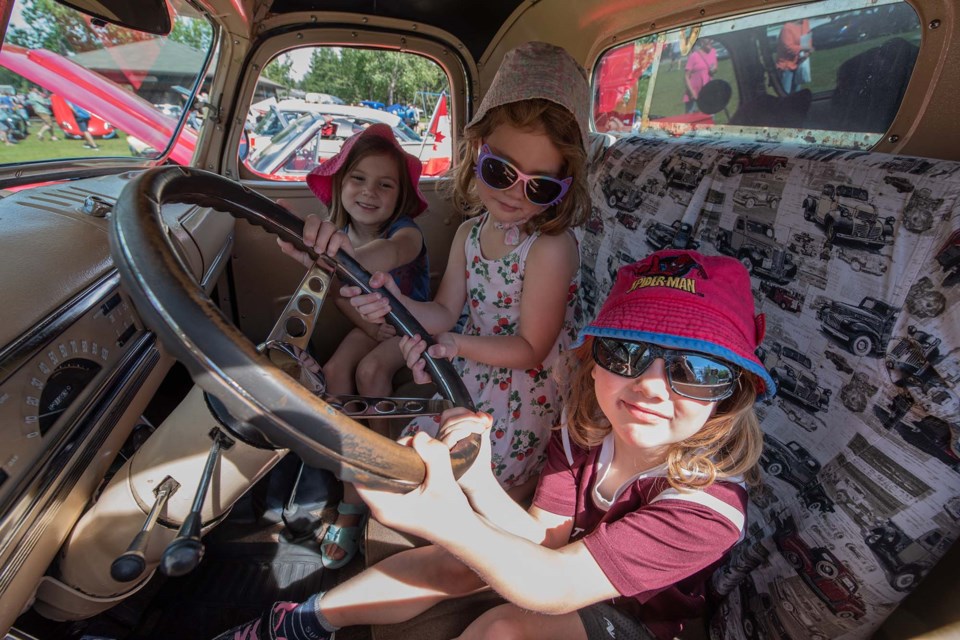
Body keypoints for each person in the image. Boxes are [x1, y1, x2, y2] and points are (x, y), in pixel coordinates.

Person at [210, 249, 774, 640]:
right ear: (593, 362)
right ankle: (303, 621)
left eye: (696, 370)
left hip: (635, 623)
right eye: (624, 354)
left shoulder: (708, 511)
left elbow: (554, 585)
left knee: (505, 628)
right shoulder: (585, 433)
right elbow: (544, 536)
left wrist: (448, 516)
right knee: (455, 561)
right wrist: (476, 477)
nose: (650, 385)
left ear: (730, 395)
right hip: (565, 569)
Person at [280, 40, 591, 569]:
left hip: (523, 386)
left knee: (480, 475)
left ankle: (491, 544)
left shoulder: (550, 246)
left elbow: (530, 348)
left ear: (562, 187)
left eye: (539, 186)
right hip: (469, 366)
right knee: (432, 452)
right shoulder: (471, 232)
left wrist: (451, 344)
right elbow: (443, 311)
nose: (515, 195)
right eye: (500, 173)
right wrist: (397, 300)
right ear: (477, 154)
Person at [277, 122, 431, 568]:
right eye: (358, 179)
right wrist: (323, 260)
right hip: (371, 327)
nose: (370, 192)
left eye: (385, 185)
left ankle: (382, 477)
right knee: (334, 372)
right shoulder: (336, 230)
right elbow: (345, 303)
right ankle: (354, 481)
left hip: (413, 328)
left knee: (368, 372)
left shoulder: (407, 232)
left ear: (399, 195)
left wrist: (335, 260)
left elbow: (390, 254)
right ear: (340, 185)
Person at [776, 19, 812, 95]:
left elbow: (807, 40)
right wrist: (804, 48)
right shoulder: (787, 28)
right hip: (786, 66)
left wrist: (807, 52)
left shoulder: (805, 23)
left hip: (799, 63)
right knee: (786, 94)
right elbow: (788, 48)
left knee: (796, 93)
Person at [683, 38, 718, 113]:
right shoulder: (694, 56)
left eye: (711, 39)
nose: (711, 41)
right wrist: (692, 93)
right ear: (702, 41)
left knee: (709, 119)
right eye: (708, 39)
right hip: (694, 95)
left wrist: (713, 70)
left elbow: (714, 67)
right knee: (692, 121)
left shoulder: (713, 52)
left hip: (708, 92)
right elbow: (686, 76)